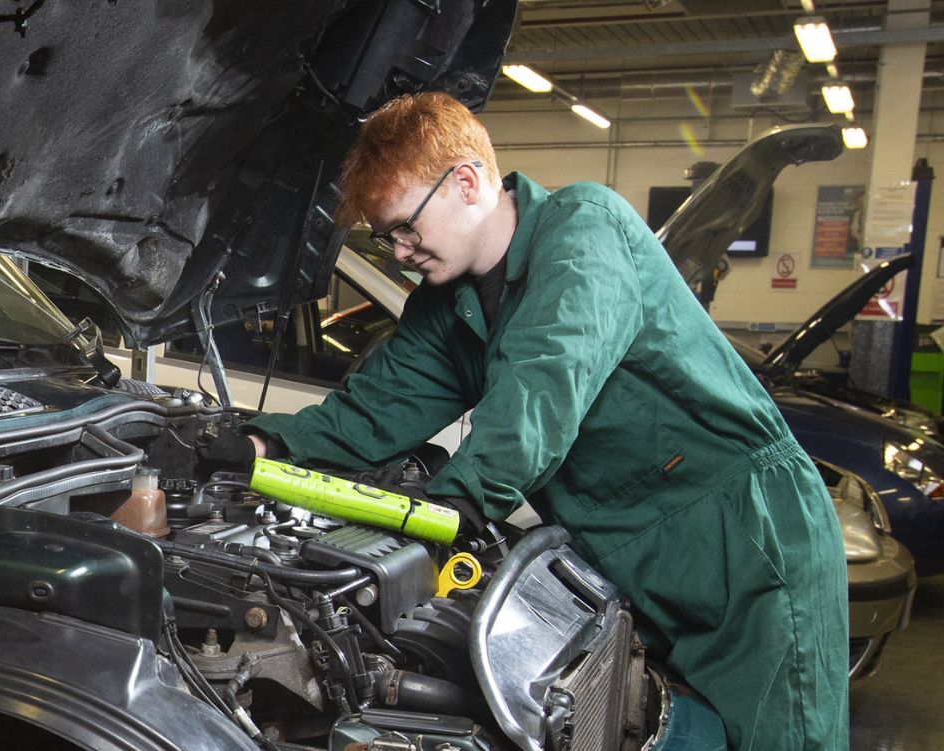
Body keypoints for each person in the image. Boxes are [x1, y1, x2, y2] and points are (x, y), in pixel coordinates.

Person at [210, 92, 847, 749]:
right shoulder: (449, 303)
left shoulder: (583, 228)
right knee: (677, 733)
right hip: (631, 558)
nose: (399, 250)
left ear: (465, 181)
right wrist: (261, 443)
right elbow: (374, 408)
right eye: (385, 237)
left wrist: (455, 501)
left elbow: (547, 379)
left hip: (741, 543)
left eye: (406, 227)